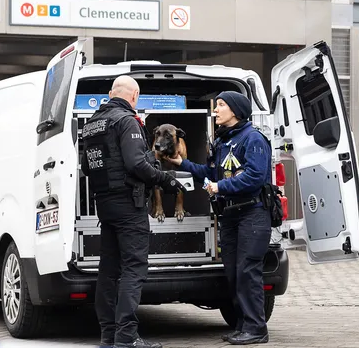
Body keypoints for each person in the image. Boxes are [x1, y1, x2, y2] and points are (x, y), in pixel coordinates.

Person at [80, 75, 186, 348]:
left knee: (108, 270)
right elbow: (136, 164)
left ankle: (108, 336)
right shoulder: (127, 121)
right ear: (134, 96)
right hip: (129, 205)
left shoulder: (92, 124)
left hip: (105, 205)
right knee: (133, 269)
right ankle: (126, 337)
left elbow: (87, 167)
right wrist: (166, 180)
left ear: (110, 93)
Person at [163, 91, 272, 345]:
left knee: (247, 271)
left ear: (235, 110)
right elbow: (210, 174)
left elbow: (255, 177)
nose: (215, 110)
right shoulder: (223, 141)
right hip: (231, 215)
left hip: (253, 214)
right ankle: (243, 326)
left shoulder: (253, 138)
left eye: (221, 105)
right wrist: (182, 163)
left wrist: (220, 187)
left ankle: (257, 329)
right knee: (234, 272)